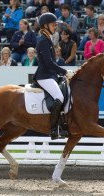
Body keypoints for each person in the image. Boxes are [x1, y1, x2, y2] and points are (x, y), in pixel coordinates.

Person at [33, 12, 73, 140]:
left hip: (51, 75)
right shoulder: (43, 40)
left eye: (55, 24)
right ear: (45, 26)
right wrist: (64, 72)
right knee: (59, 97)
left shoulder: (48, 39)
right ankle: (54, 128)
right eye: (53, 24)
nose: (55, 27)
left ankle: (63, 124)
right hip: (44, 76)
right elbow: (49, 63)